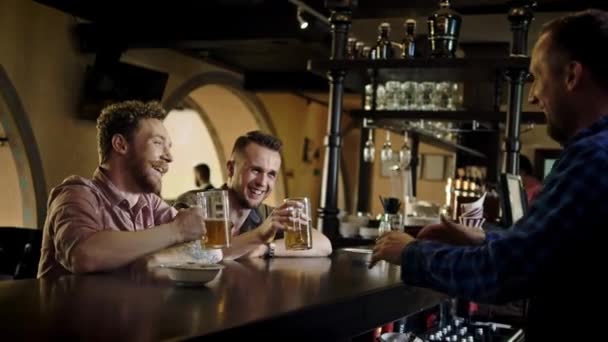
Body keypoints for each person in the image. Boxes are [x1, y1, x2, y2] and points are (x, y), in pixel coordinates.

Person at [370, 10, 608, 341]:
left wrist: (409, 253)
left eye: (537, 77)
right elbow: (548, 252)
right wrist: (483, 239)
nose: (533, 95)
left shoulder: (594, 157)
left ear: (571, 75)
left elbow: (505, 274)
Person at [37, 101, 206, 278]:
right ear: (120, 144)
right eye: (157, 143)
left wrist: (155, 259)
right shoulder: (75, 193)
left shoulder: (150, 203)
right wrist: (175, 230)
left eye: (169, 147)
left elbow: (208, 248)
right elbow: (83, 255)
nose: (169, 157)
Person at [174, 131, 332, 259]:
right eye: (256, 170)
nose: (263, 182)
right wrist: (259, 235)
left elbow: (324, 244)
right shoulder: (194, 203)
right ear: (231, 169)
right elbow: (199, 254)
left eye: (271, 174)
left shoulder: (266, 214)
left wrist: (266, 249)